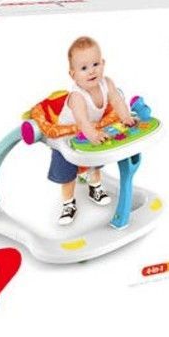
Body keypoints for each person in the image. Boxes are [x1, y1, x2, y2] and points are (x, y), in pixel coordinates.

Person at [50, 36, 136, 225]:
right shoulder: (77, 96)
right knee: (67, 173)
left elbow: (117, 101)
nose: (91, 71)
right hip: (66, 137)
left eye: (95, 64)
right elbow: (81, 120)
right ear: (73, 74)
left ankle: (94, 187)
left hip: (91, 131)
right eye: (84, 68)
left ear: (103, 64)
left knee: (95, 161)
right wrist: (93, 135)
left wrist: (126, 117)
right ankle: (68, 203)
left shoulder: (107, 83)